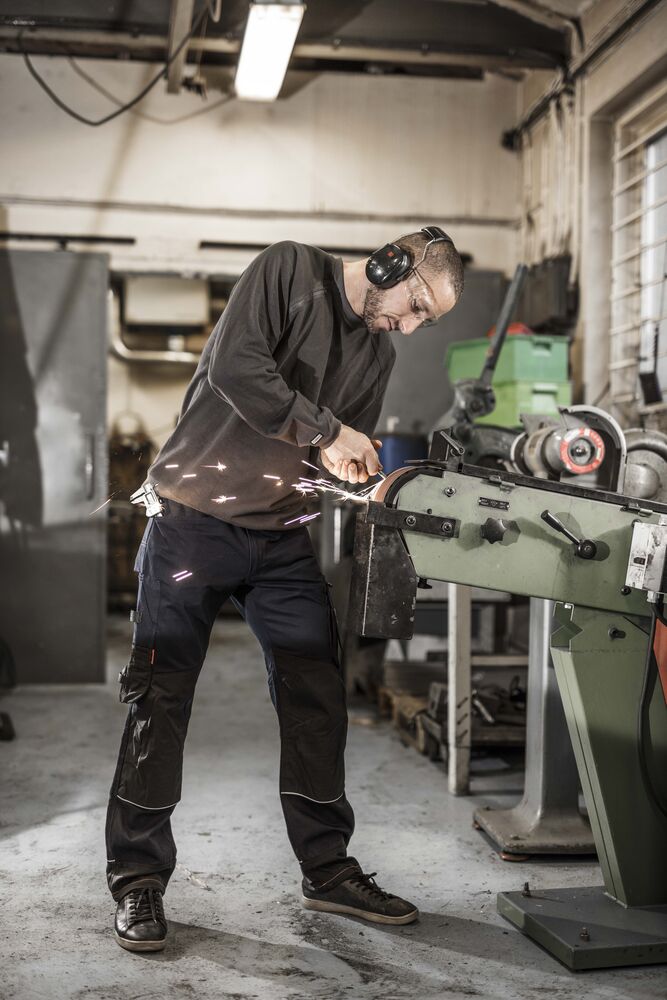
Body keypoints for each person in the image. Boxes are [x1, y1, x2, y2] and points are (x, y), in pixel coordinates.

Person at [107, 227, 464, 951]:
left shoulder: (377, 354)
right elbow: (237, 368)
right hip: (189, 520)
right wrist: (329, 432)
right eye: (416, 305)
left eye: (424, 321)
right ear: (391, 263)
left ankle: (326, 869)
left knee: (316, 689)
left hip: (277, 536)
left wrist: (354, 472)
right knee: (160, 694)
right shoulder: (289, 270)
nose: (409, 326)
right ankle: (138, 878)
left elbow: (325, 457)